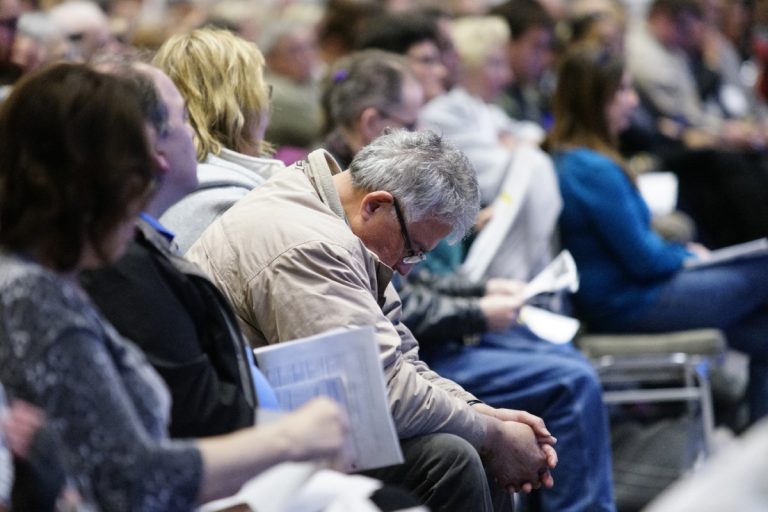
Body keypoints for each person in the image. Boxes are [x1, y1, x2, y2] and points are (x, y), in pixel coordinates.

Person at [0, 62, 348, 510]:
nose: (155, 173)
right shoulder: (31, 294)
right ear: (94, 181)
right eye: (139, 162)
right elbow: (134, 478)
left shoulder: (40, 281)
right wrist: (292, 437)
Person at [186, 129, 558, 511]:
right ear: (375, 205)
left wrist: (482, 414)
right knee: (453, 458)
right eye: (413, 251)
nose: (406, 269)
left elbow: (402, 360)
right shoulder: (310, 245)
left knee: (467, 445)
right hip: (242, 452)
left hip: (287, 425)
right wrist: (491, 434)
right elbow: (378, 392)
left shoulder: (336, 218)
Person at [548, 45, 768, 424]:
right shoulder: (590, 169)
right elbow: (645, 259)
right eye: (622, 91)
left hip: (632, 292)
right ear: (592, 100)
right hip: (628, 303)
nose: (633, 101)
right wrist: (689, 256)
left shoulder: (581, 159)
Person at [80, 58, 269, 438]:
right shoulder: (121, 263)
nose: (195, 135)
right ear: (155, 149)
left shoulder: (137, 243)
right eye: (183, 119)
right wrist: (296, 434)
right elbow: (199, 414)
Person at [152, 28, 284, 253]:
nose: (267, 107)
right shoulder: (231, 206)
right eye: (264, 92)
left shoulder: (169, 183)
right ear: (242, 105)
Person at [321, 49, 423, 169]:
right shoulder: (336, 185)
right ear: (370, 123)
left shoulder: (334, 161)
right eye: (411, 125)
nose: (422, 131)